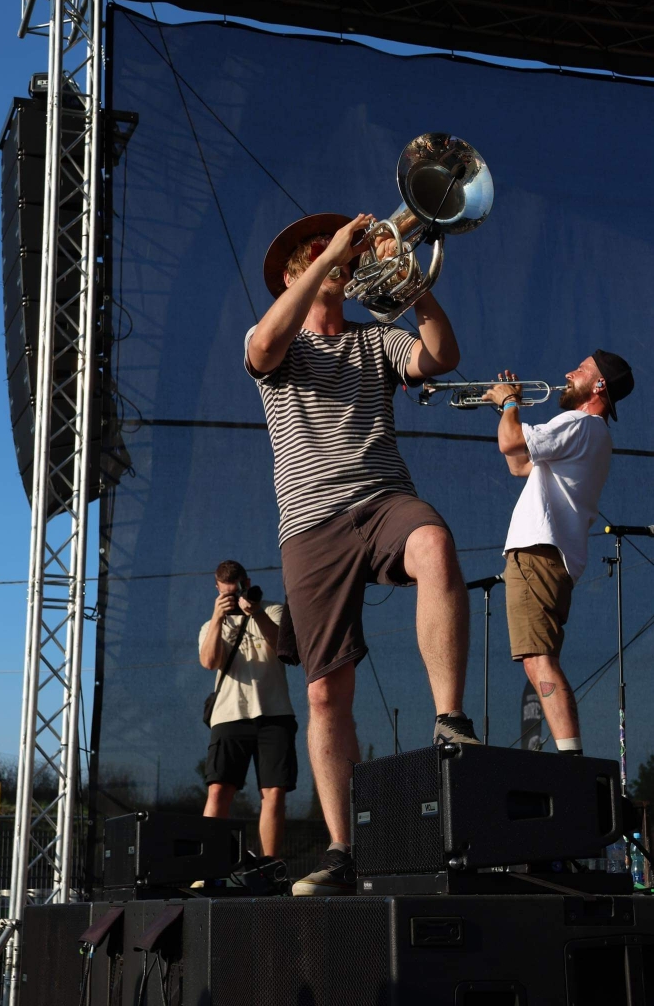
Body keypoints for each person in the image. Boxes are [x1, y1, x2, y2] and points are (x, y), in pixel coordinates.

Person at [245, 212, 478, 896]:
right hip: (309, 525)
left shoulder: (376, 338)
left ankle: (449, 721)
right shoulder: (279, 341)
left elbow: (441, 357)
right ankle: (342, 849)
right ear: (295, 273)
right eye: (315, 255)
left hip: (381, 499)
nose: (335, 258)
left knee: (434, 542)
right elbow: (262, 346)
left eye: (338, 253)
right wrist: (330, 257)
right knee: (325, 692)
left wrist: (411, 283)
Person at [482, 352, 634, 756]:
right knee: (537, 660)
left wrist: (509, 403)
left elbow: (510, 443)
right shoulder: (593, 435)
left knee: (540, 659)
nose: (568, 373)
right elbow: (519, 464)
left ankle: (572, 760)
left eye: (580, 370)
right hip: (548, 556)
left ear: (599, 385)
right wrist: (507, 410)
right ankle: (571, 757)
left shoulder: (578, 423)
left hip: (538, 553)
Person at [199, 560, 297, 859]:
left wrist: (255, 612)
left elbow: (285, 649)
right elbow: (209, 662)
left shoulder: (274, 610)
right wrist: (218, 617)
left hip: (274, 713)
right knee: (218, 790)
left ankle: (269, 866)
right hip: (229, 715)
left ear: (248, 583)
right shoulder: (210, 625)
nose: (233, 598)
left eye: (237, 591)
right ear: (217, 590)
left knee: (274, 792)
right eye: (226, 594)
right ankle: (207, 865)